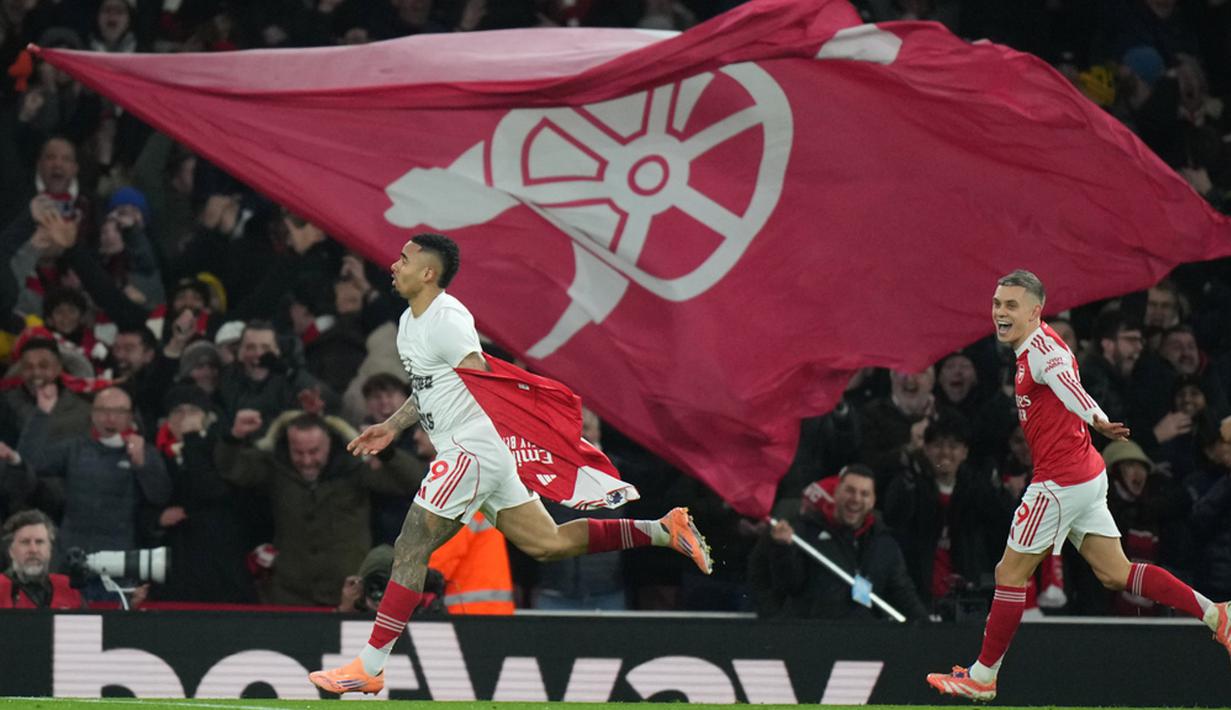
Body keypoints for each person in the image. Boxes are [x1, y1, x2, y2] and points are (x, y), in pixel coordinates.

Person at [309, 232, 711, 695]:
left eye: (405, 258)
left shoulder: (448, 317)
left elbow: (480, 373)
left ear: (428, 273)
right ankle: (663, 530)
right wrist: (394, 426)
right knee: (548, 543)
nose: (394, 264)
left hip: (471, 447)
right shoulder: (407, 323)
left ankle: (369, 664)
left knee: (411, 543)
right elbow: (428, 388)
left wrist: (528, 427)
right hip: (482, 451)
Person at [928, 270, 1230, 701]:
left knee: (1009, 573)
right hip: (1086, 473)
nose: (1000, 313)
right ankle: (1216, 614)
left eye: (1011, 306)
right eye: (997, 304)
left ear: (1034, 312)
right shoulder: (1037, 342)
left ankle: (983, 676)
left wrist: (1096, 417)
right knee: (1115, 571)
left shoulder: (1040, 350)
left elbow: (1070, 387)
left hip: (1061, 481)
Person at [747, 465, 929, 621]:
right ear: (836, 493)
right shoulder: (804, 532)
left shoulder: (884, 544)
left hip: (865, 643)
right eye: (850, 490)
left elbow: (903, 594)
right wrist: (782, 550)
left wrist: (930, 631)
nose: (856, 499)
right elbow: (788, 584)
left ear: (873, 501)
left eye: (864, 493)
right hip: (813, 638)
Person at [0, 509, 84, 609]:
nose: (33, 549)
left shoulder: (69, 588)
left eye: (39, 542)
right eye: (25, 542)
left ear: (50, 549)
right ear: (11, 551)